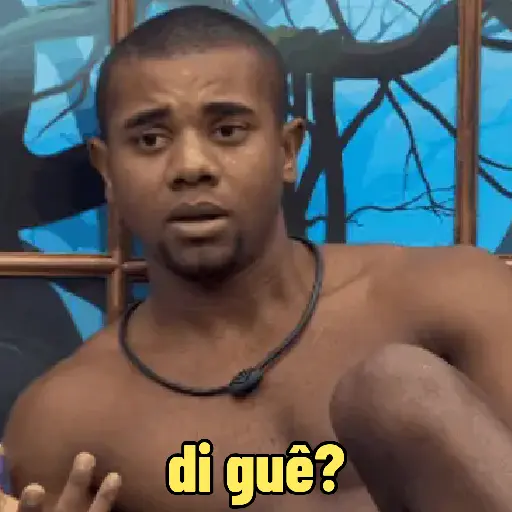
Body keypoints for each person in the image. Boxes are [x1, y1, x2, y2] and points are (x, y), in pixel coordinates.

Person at [2, 5, 512, 511]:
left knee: (398, 391)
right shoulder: (68, 423)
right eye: (150, 140)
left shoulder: (452, 299)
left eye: (228, 131)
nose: (191, 167)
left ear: (288, 151)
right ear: (107, 170)